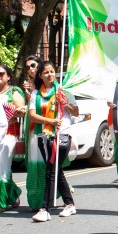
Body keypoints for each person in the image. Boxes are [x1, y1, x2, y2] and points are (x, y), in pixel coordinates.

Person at [27, 61, 79, 222]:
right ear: (40, 76)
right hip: (44, 135)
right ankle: (70, 204)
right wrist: (49, 121)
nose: (49, 75)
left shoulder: (63, 91)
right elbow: (32, 115)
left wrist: (64, 103)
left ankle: (45, 208)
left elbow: (76, 111)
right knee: (55, 169)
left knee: (51, 169)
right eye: (46, 72)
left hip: (62, 134)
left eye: (52, 71)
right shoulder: (36, 94)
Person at [0, 65, 25, 213]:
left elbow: (22, 111)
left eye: (1, 73)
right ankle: (5, 197)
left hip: (9, 134)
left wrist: (11, 114)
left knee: (2, 167)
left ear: (9, 76)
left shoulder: (14, 92)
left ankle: (5, 200)